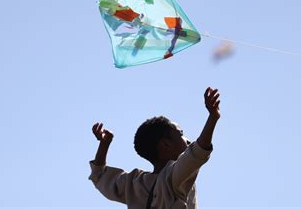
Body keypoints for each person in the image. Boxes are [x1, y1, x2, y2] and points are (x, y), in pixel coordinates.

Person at [88, 87, 221, 209]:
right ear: (166, 145)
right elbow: (196, 154)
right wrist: (213, 117)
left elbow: (99, 176)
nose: (188, 140)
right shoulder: (173, 175)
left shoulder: (134, 184)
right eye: (181, 134)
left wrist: (104, 144)